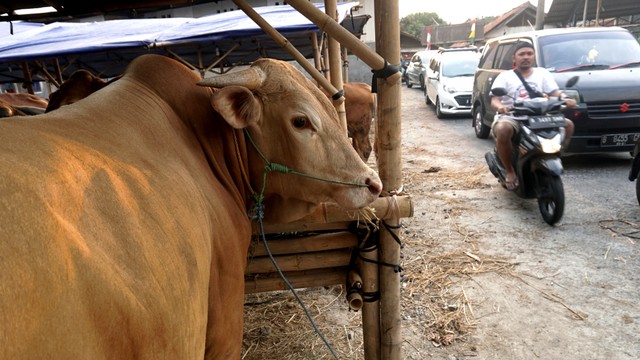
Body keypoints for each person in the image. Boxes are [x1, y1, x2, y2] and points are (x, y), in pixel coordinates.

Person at [490, 41, 577, 190]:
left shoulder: (542, 73)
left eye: (529, 54)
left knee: (568, 125)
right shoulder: (505, 77)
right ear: (514, 58)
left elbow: (554, 92)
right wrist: (501, 108)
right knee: (503, 129)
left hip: (540, 115)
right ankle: (510, 171)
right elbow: (494, 100)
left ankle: (555, 155)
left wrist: (565, 98)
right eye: (521, 54)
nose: (526, 57)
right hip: (514, 117)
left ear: (534, 56)